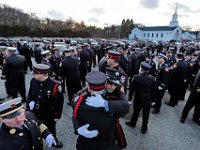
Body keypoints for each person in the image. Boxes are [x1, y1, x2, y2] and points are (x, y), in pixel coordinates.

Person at [72, 71, 129, 150]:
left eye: (115, 85)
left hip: (85, 145)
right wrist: (105, 104)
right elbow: (125, 108)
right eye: (110, 83)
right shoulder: (115, 105)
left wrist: (78, 130)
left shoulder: (78, 102)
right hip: (107, 144)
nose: (112, 87)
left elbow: (75, 114)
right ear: (105, 84)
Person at [26, 64, 64, 148]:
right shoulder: (33, 81)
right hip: (35, 112)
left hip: (48, 113)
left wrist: (57, 115)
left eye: (35, 73)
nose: (33, 74)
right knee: (34, 127)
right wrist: (28, 107)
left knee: (50, 128)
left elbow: (59, 102)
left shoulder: (55, 85)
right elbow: (30, 95)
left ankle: (54, 140)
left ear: (42, 74)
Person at [126, 61, 156, 134]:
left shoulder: (136, 77)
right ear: (148, 70)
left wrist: (129, 99)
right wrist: (153, 100)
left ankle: (133, 123)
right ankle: (144, 128)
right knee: (146, 114)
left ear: (141, 68)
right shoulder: (152, 79)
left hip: (138, 98)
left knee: (136, 112)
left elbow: (132, 90)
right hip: (147, 99)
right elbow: (154, 91)